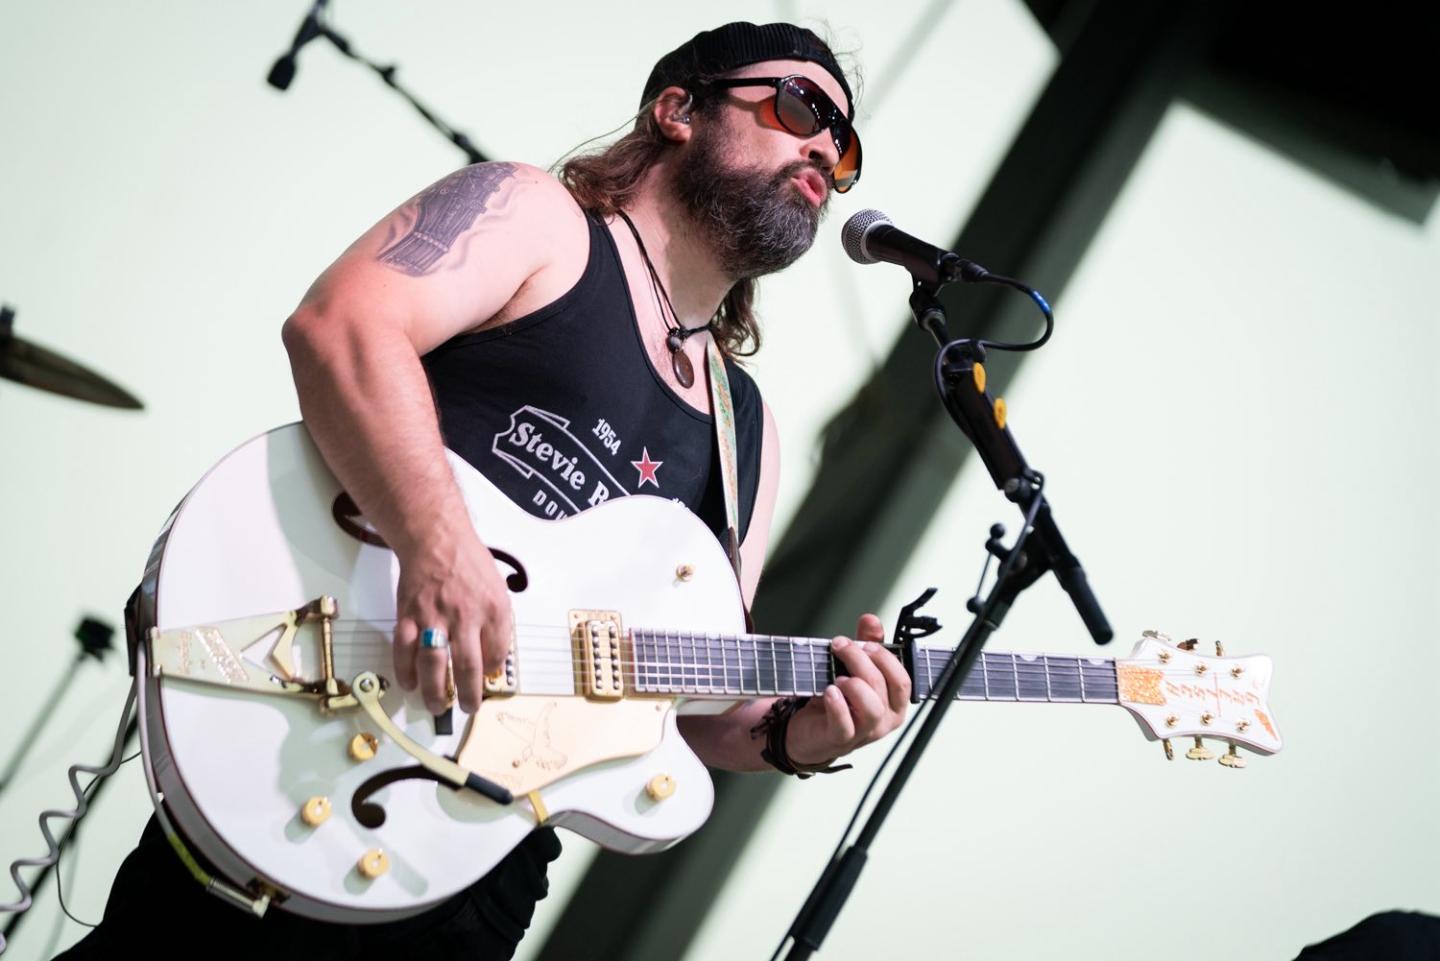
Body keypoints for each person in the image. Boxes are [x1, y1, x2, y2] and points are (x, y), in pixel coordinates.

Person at [57, 21, 909, 961]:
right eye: (799, 107)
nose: (825, 147)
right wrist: (440, 545)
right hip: (313, 756)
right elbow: (341, 330)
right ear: (678, 110)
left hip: (481, 871)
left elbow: (683, 703)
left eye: (846, 143)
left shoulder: (747, 433)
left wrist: (801, 733)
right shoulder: (539, 220)